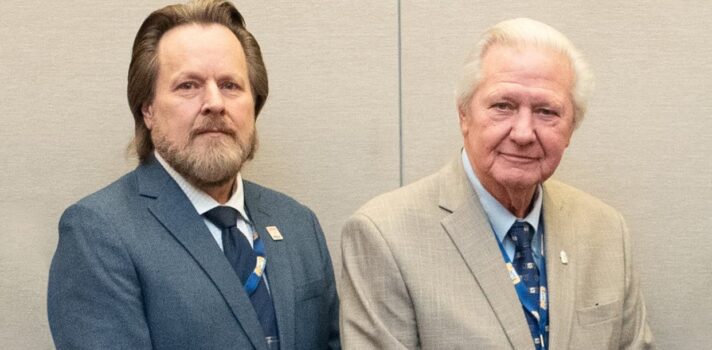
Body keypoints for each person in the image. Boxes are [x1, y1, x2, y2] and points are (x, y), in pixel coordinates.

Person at [340, 18, 653, 349]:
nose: (522, 133)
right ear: (464, 114)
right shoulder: (385, 235)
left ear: (571, 128)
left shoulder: (606, 231)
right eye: (503, 106)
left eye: (547, 112)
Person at [47, 1, 339, 349]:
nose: (215, 103)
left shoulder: (298, 224)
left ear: (254, 106)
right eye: (188, 85)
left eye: (231, 85)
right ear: (148, 109)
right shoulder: (99, 234)